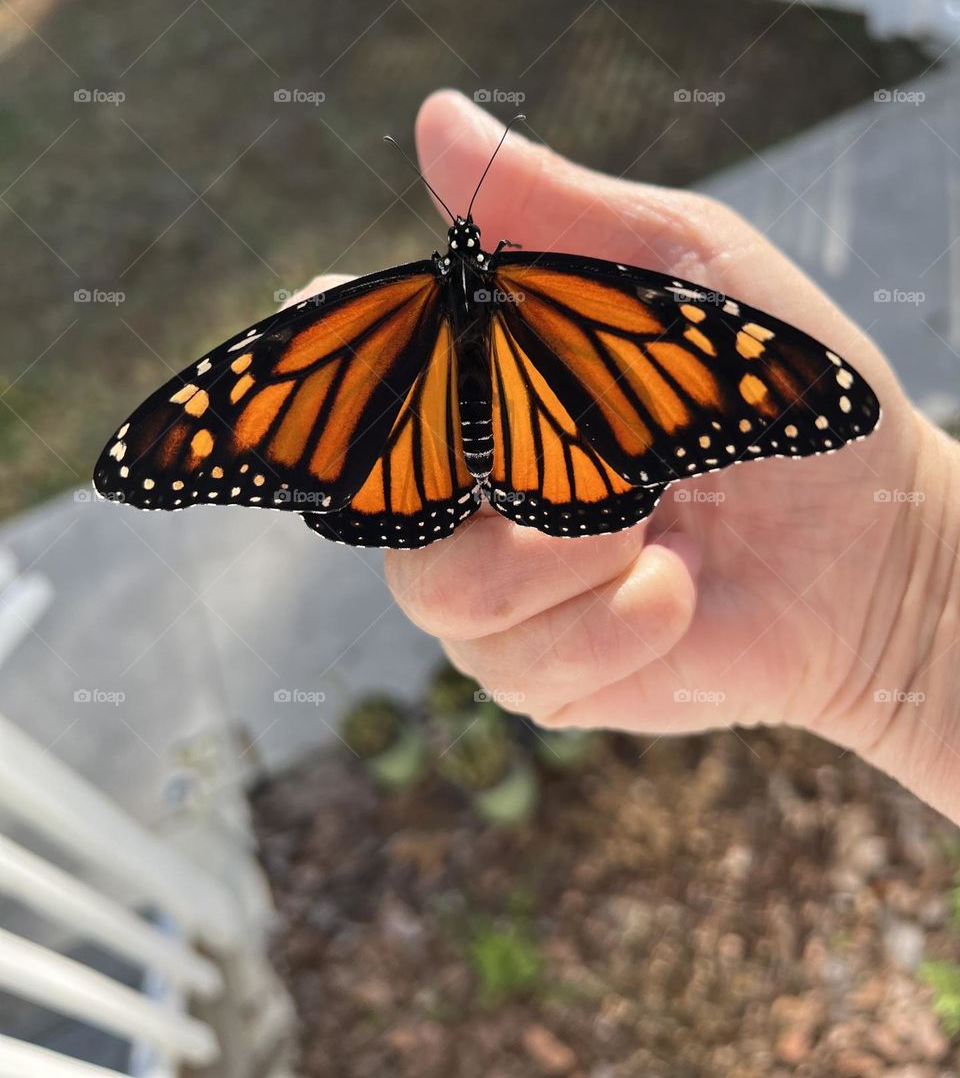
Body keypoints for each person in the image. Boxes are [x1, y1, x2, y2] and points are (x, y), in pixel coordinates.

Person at [296, 90, 960, 826]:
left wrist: (913, 602)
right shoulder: (562, 294)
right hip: (551, 440)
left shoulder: (458, 300)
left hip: (434, 449)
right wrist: (905, 626)